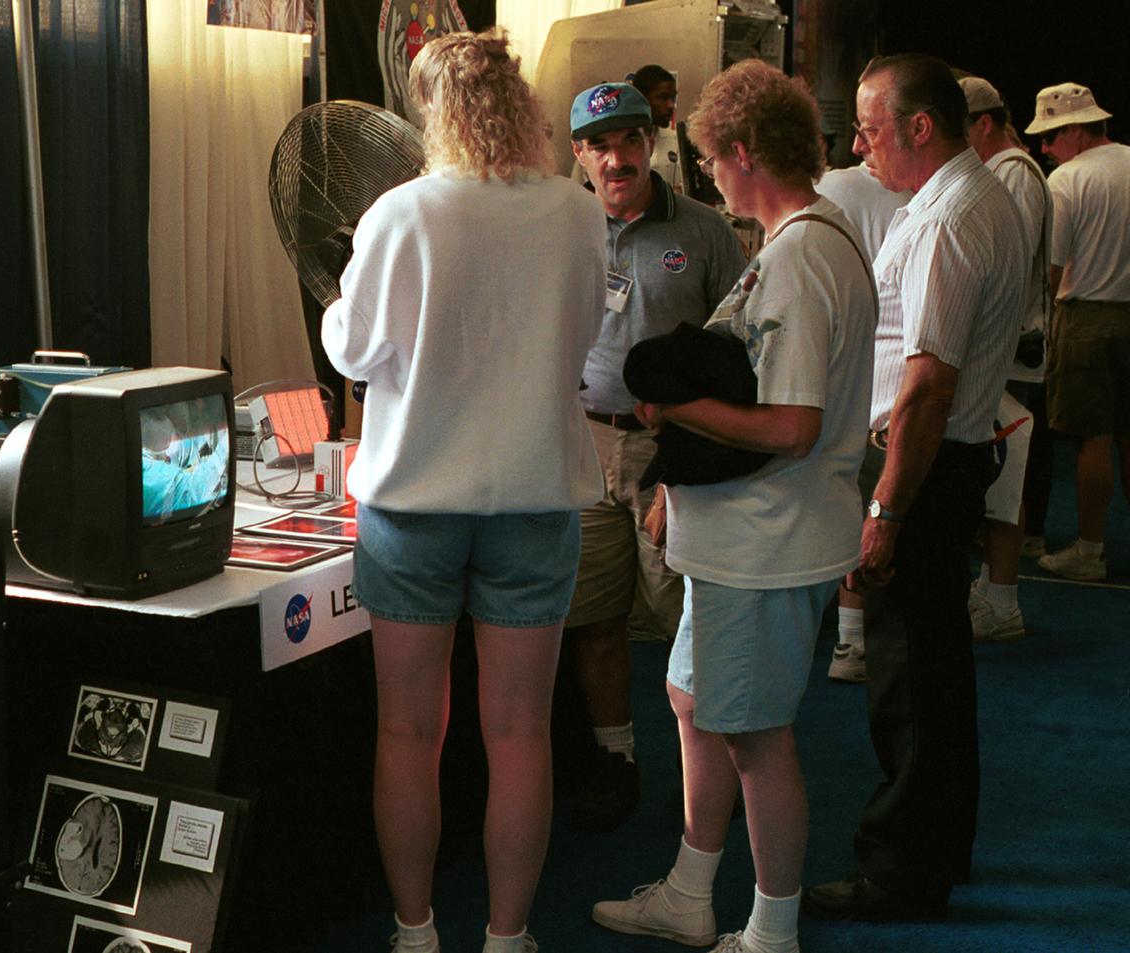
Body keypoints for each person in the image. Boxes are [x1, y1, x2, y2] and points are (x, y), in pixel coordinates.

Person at [320, 29, 607, 953]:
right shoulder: (577, 210)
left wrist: (341, 295)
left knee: (410, 731)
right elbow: (585, 333)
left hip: (413, 506)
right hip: (534, 498)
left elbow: (354, 352)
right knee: (520, 734)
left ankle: (414, 931)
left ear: (427, 112)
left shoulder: (401, 214)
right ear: (516, 102)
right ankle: (509, 935)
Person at [591, 59, 876, 953]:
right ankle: (689, 887)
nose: (706, 171)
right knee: (689, 695)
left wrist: (671, 411)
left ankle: (770, 930)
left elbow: (791, 424)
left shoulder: (801, 256)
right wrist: (677, 485)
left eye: (711, 157)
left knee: (756, 735)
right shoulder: (801, 244)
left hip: (769, 540)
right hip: (741, 536)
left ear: (744, 153)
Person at [803, 53, 1029, 921]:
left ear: (919, 127)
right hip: (936, 461)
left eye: (869, 126)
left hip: (923, 468)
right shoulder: (959, 201)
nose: (859, 144)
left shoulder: (949, 218)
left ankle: (901, 870)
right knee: (935, 672)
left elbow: (928, 384)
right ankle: (936, 849)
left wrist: (885, 509)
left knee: (909, 682)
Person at [565, 80, 746, 832]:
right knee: (594, 618)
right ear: (578, 154)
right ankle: (617, 760)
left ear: (652, 144)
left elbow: (736, 355)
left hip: (669, 451)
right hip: (578, 441)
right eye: (600, 145)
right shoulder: (561, 229)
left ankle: (724, 776)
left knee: (689, 619)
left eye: (630, 141)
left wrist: (680, 467)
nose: (617, 158)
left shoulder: (703, 230)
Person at [961, 75, 1055, 640]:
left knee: (1005, 481)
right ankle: (994, 594)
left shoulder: (1013, 172)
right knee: (997, 481)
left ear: (986, 123)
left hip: (1009, 351)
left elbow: (1006, 265)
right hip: (1003, 348)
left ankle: (1001, 601)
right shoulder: (1003, 171)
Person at [1025, 83, 1130, 582]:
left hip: (1085, 317)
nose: (1043, 149)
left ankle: (1090, 550)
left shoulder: (1066, 180)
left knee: (1094, 439)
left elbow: (1051, 268)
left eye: (1049, 137)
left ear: (1072, 129)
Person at [814, 161, 912, 681]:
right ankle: (854, 642)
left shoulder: (838, 190)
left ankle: (850, 642)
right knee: (867, 507)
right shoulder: (915, 196)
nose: (858, 143)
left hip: (854, 369)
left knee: (856, 503)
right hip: (879, 378)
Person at [631, 63, 685, 193]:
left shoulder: (677, 142)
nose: (671, 105)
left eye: (673, 98)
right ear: (640, 98)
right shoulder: (608, 145)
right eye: (663, 97)